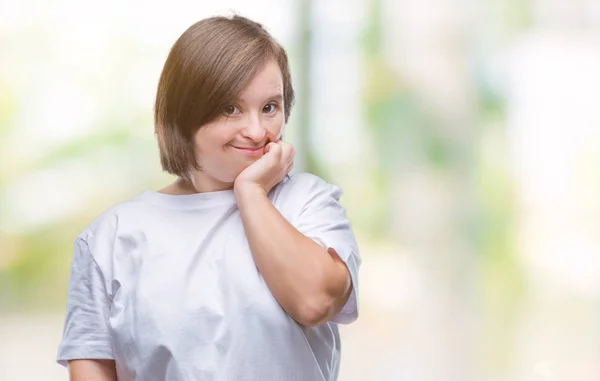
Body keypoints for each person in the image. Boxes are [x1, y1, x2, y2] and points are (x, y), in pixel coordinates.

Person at [57, 14, 361, 381]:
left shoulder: (308, 203)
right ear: (184, 114)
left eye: (269, 107)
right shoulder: (110, 238)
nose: (257, 131)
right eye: (230, 108)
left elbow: (316, 301)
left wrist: (251, 193)